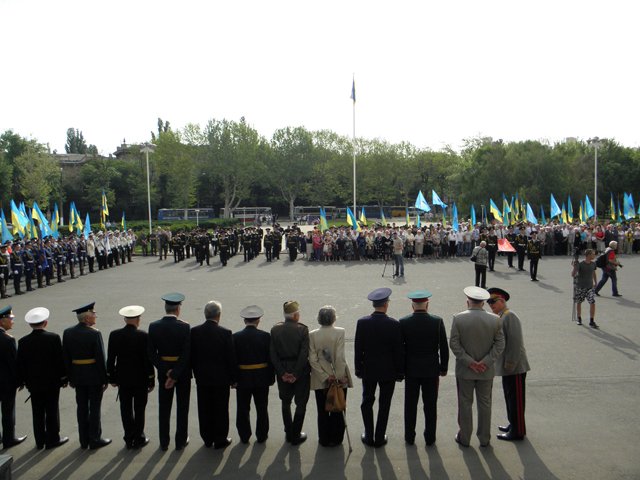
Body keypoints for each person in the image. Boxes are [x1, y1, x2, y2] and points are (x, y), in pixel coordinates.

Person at [449, 287, 504, 448]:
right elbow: (500, 344)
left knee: (465, 403)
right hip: (486, 371)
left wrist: (469, 362)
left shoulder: (458, 318)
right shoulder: (495, 319)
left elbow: (454, 343)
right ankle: (484, 438)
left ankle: (464, 437)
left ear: (468, 301)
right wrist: (485, 362)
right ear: (483, 303)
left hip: (465, 371)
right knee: (485, 404)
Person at [354, 288, 404, 447]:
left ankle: (369, 435)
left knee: (367, 402)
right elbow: (399, 350)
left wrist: (358, 369)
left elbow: (358, 348)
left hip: (369, 370)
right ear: (386, 304)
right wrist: (400, 372)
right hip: (388, 371)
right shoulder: (394, 324)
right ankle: (380, 436)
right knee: (385, 404)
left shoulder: (362, 322)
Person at [399, 290, 448, 446]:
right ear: (427, 304)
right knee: (430, 405)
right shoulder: (437, 321)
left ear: (412, 306)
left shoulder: (404, 322)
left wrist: (401, 369)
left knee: (410, 405)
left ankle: (409, 436)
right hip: (431, 369)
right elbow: (444, 347)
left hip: (411, 369)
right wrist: (443, 368)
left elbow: (401, 349)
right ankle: (430, 437)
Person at [17, 307, 68, 450]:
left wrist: (22, 381)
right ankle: (53, 439)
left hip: (33, 383)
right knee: (52, 410)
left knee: (37, 412)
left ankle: (40, 440)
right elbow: (59, 360)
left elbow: (21, 364)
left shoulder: (23, 341)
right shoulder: (53, 338)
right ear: (45, 323)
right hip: (51, 382)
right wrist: (64, 378)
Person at [63, 302, 111, 449]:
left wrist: (69, 377)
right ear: (87, 318)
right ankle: (95, 438)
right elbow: (100, 358)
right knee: (95, 408)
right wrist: (105, 379)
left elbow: (66, 357)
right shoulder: (94, 333)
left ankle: (83, 439)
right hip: (94, 376)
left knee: (82, 408)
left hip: (77, 375)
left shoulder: (68, 332)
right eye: (93, 314)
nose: (95, 316)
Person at [107, 305, 155, 449]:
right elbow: (148, 361)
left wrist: (112, 378)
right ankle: (139, 437)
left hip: (123, 379)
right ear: (138, 319)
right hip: (140, 379)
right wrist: (151, 378)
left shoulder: (114, 335)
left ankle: (128, 437)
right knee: (140, 409)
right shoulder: (143, 335)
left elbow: (110, 359)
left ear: (125, 319)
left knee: (126, 409)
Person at [148, 293, 191, 451]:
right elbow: (187, 353)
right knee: (182, 406)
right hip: (182, 372)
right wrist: (175, 373)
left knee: (164, 407)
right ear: (178, 309)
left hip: (163, 371)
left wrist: (166, 372)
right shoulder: (185, 326)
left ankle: (164, 441)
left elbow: (152, 353)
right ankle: (180, 440)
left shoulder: (154, 326)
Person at [487, 288, 530, 441]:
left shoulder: (509, 316)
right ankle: (513, 423)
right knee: (509, 397)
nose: (491, 305)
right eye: (489, 302)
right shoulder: (502, 316)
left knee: (516, 399)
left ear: (502, 300)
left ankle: (518, 431)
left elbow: (515, 342)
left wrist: (510, 363)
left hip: (514, 367)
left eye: (493, 301)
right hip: (508, 367)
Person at [190, 301, 235, 449]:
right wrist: (233, 379)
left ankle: (207, 438)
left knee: (204, 408)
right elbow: (230, 358)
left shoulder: (195, 332)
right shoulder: (225, 333)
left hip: (202, 378)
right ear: (219, 315)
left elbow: (192, 356)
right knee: (221, 409)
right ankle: (220, 438)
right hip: (221, 379)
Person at [308, 305, 353, 447]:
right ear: (334, 318)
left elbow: (312, 359)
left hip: (320, 379)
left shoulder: (312, 334)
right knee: (338, 407)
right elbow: (340, 357)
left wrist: (324, 376)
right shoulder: (340, 332)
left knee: (322, 410)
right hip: (338, 376)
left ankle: (324, 439)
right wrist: (338, 377)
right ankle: (337, 438)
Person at [270, 301, 310, 445]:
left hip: (283, 371)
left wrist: (282, 373)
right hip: (300, 372)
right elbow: (304, 353)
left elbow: (273, 355)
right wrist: (296, 374)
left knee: (285, 402)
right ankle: (296, 433)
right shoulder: (302, 330)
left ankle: (288, 431)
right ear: (295, 315)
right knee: (301, 403)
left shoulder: (275, 330)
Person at [234, 305, 274, 444]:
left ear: (245, 321)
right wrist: (270, 378)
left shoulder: (236, 337)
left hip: (242, 377)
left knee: (243, 408)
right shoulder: (265, 336)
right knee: (262, 407)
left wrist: (234, 379)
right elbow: (270, 359)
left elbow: (233, 360)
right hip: (261, 377)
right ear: (258, 321)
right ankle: (262, 435)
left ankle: (244, 436)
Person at [0, 305, 28, 449]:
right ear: (2, 321)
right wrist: (20, 380)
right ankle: (9, 438)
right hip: (5, 382)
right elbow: (14, 363)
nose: (12, 321)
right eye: (10, 318)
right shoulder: (8, 340)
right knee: (7, 411)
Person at [572, 249, 599, 328]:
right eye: (593, 254)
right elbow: (573, 275)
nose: (594, 255)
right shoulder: (580, 264)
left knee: (592, 302)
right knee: (579, 302)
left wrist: (596, 282)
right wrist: (574, 267)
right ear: (588, 255)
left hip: (590, 287)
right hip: (580, 287)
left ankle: (591, 321)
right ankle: (579, 318)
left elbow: (593, 272)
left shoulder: (593, 264)